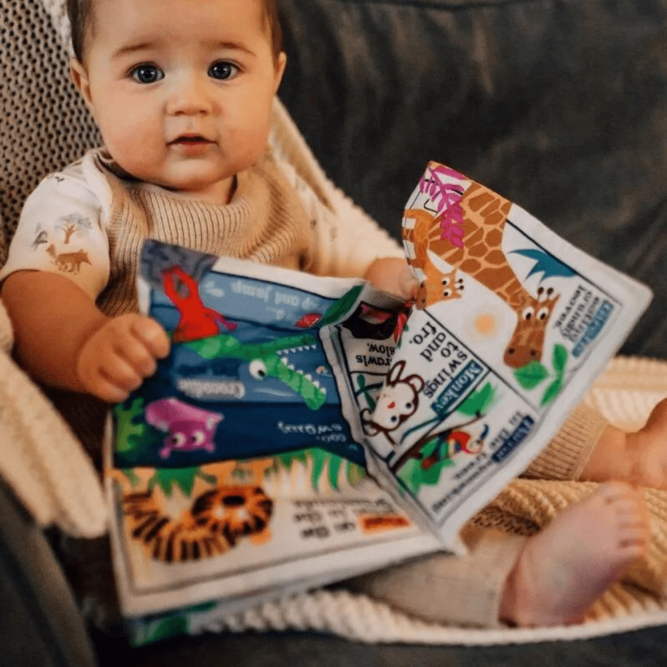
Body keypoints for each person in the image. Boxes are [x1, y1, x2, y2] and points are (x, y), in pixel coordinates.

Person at [0, 0, 666, 630]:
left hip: (327, 407)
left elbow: (347, 262)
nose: (189, 100)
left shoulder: (279, 188)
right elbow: (36, 295)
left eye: (223, 69)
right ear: (87, 88)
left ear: (272, 78)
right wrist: (88, 343)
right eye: (146, 72)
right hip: (196, 463)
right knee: (339, 534)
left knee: (457, 355)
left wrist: (387, 283)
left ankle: (624, 455)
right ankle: (512, 583)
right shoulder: (83, 201)